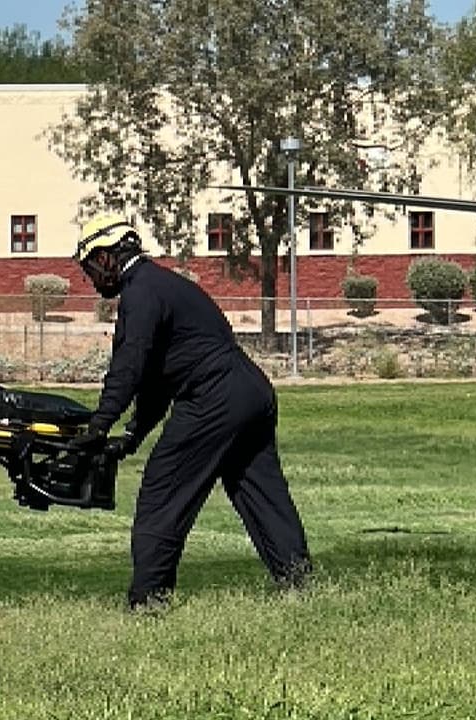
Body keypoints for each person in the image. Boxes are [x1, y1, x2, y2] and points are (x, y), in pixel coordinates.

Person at [69, 214, 312, 610]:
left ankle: (149, 601)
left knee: (162, 494)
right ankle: (299, 584)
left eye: (90, 270)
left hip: (213, 399)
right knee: (260, 494)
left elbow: (129, 366)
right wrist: (130, 436)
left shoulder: (140, 293)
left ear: (106, 257)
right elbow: (156, 382)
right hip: (251, 391)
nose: (92, 282)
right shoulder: (166, 284)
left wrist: (99, 424)